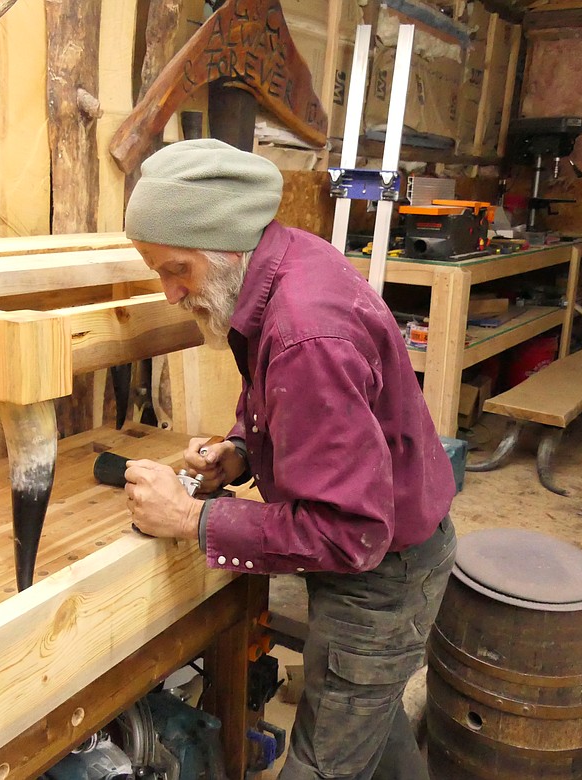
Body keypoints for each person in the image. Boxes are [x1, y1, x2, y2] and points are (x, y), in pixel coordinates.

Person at [121, 138, 457, 780]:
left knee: (324, 762)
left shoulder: (306, 332)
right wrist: (242, 451)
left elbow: (348, 534)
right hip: (395, 542)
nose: (169, 294)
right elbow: (286, 401)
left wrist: (192, 518)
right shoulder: (279, 264)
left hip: (383, 573)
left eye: (176, 270)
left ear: (223, 246)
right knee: (373, 726)